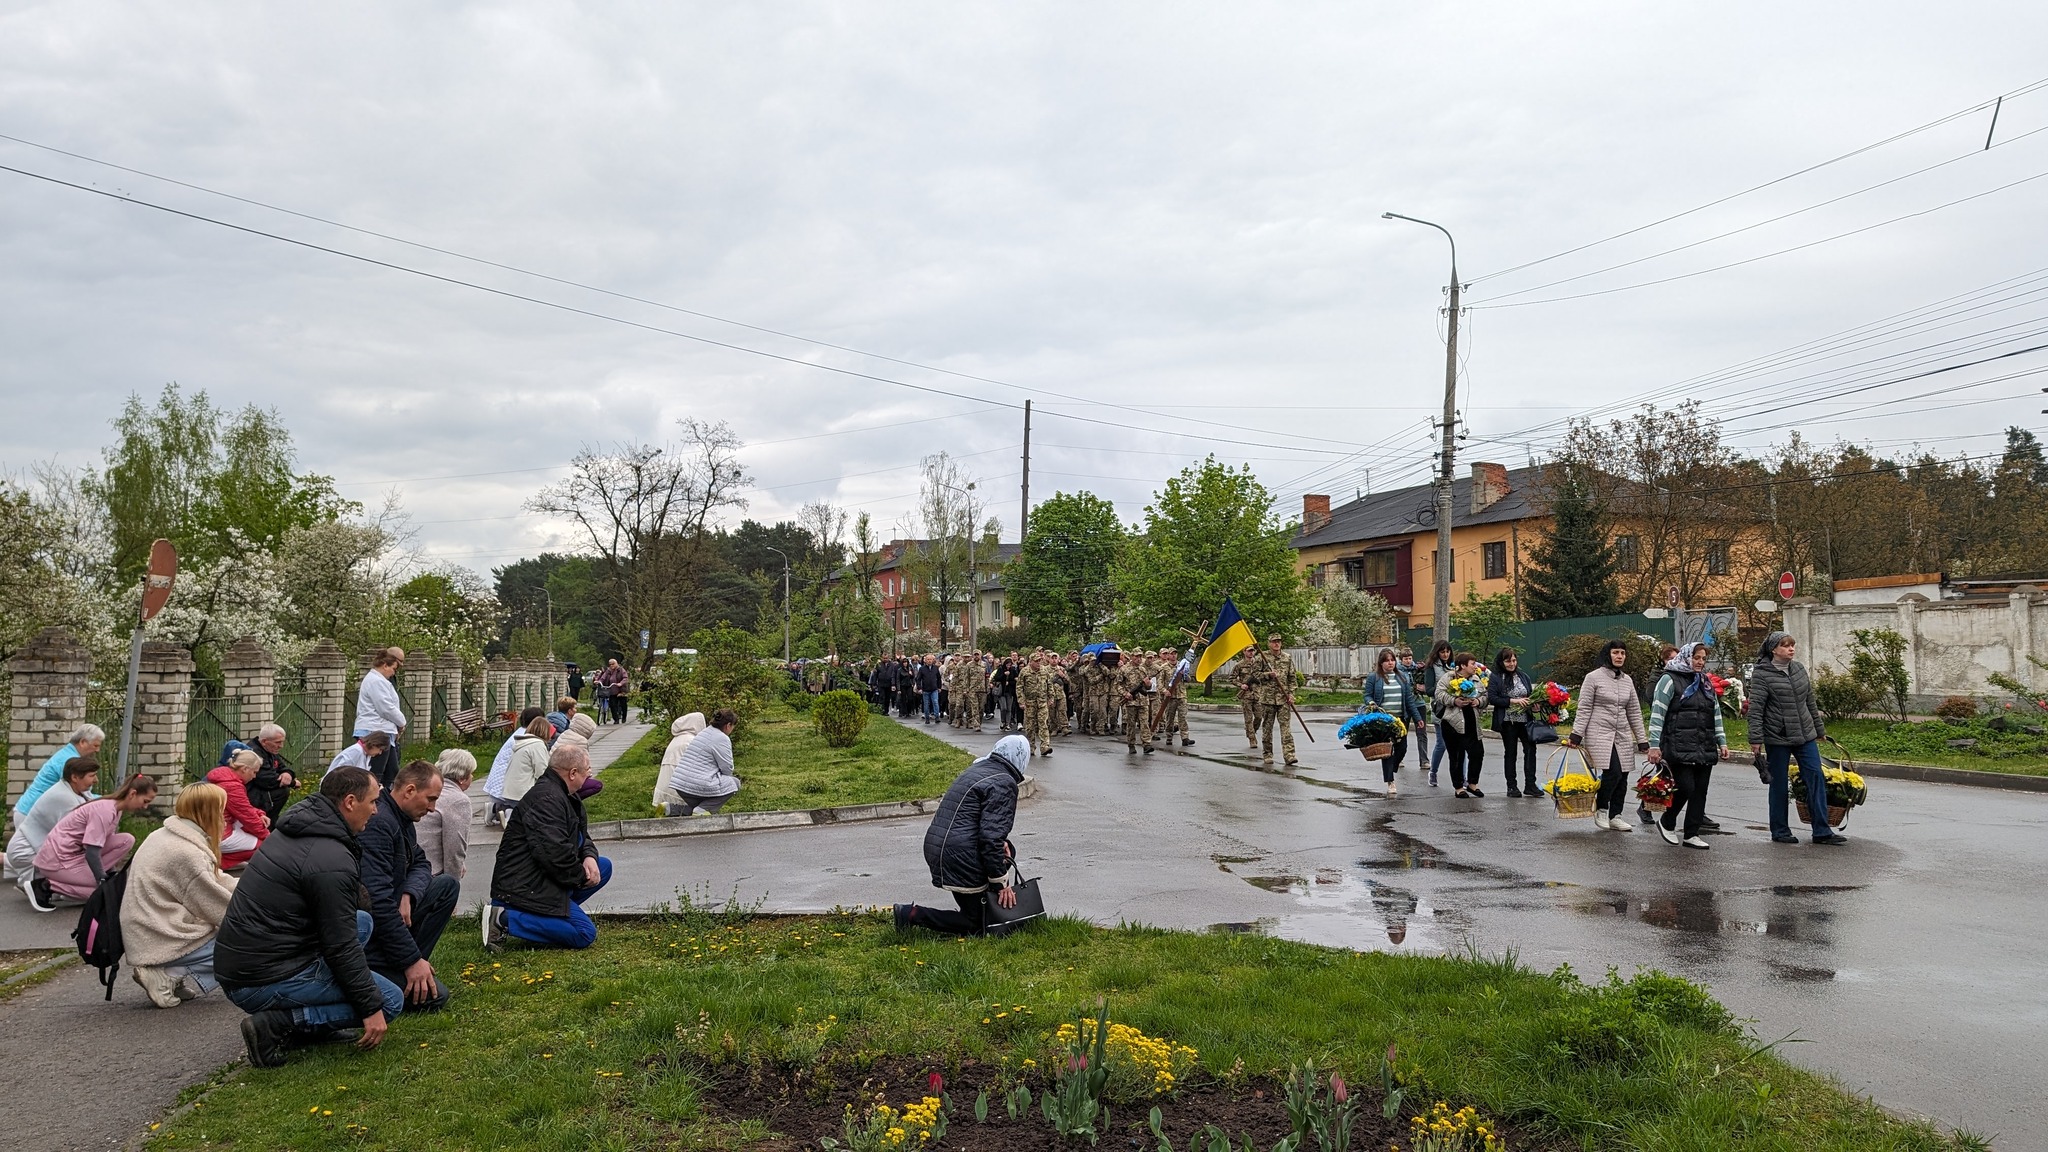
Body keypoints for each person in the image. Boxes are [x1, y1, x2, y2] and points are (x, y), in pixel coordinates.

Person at [217, 766, 405, 1068]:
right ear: (349, 802)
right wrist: (369, 1007)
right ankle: (279, 1024)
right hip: (259, 979)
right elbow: (340, 944)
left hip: (252, 960)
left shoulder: (302, 825)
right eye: (372, 802)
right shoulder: (329, 858)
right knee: (390, 1001)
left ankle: (310, 1019)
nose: (375, 810)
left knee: (362, 922)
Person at [893, 734, 1029, 936]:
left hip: (941, 845)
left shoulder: (979, 769)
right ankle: (912, 914)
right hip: (958, 853)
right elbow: (990, 839)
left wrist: (1002, 845)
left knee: (1007, 849)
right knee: (978, 925)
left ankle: (984, 905)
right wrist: (1002, 884)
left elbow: (982, 827)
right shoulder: (1003, 782)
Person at [483, 743, 612, 951]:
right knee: (584, 934)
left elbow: (582, 836)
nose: (590, 775)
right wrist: (582, 877)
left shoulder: (565, 795)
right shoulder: (547, 800)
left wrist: (589, 856)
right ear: (572, 773)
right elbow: (555, 856)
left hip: (541, 877)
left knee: (602, 866)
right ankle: (504, 918)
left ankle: (548, 917)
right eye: (587, 771)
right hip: (524, 886)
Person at [122, 782, 239, 1008]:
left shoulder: (167, 834)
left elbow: (214, 880)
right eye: (222, 810)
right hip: (161, 933)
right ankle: (168, 974)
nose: (225, 816)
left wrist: (250, 888)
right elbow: (215, 904)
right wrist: (258, 918)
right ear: (209, 812)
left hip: (150, 925)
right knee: (245, 942)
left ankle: (171, 973)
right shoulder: (186, 853)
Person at [359, 760, 458, 1012]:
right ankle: (400, 968)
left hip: (392, 916)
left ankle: (408, 968)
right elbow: (377, 903)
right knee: (436, 998)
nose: (434, 808)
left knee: (446, 885)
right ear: (410, 790)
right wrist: (411, 960)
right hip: (371, 936)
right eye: (431, 799)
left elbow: (422, 863)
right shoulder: (380, 825)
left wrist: (409, 893)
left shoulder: (400, 820)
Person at [1748, 632, 1846, 845]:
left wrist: (1820, 730)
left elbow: (1810, 701)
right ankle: (1780, 830)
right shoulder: (1762, 674)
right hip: (1778, 737)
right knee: (1779, 784)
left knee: (1815, 777)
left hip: (1805, 735)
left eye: (1792, 645)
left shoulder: (1799, 669)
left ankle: (1821, 831)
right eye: (1785, 646)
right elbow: (1756, 709)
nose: (1791, 649)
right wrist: (1755, 739)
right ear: (1774, 649)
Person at [1648, 642, 1730, 849]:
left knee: (1700, 790)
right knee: (1685, 786)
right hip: (1678, 743)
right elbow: (1658, 713)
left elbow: (1715, 713)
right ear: (1686, 657)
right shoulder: (1668, 680)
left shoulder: (1705, 683)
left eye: (1703, 658)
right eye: (1696, 658)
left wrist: (1722, 741)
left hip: (1704, 743)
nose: (1700, 662)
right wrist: (1654, 745)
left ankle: (1691, 834)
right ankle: (1667, 821)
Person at [32, 775, 157, 906]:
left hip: (71, 857)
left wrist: (110, 875)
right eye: (145, 801)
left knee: (127, 840)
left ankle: (66, 887)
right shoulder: (105, 811)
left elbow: (103, 844)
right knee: (102, 892)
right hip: (56, 862)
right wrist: (102, 880)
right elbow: (92, 853)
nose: (145, 807)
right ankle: (46, 885)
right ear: (133, 794)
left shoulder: (114, 809)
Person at [1570, 639, 1648, 831]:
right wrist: (1576, 734)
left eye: (1622, 653)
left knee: (1623, 775)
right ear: (1608, 654)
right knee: (1612, 772)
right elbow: (1585, 707)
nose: (1619, 656)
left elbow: (1634, 712)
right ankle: (1602, 809)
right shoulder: (1593, 678)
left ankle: (1616, 815)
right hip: (1600, 732)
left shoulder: (1627, 680)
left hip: (1621, 733)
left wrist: (1642, 739)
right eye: (1615, 652)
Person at [8, 755, 97, 889]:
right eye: (92, 776)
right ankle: (39, 887)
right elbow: (76, 834)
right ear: (75, 777)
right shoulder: (65, 798)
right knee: (71, 875)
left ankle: (37, 885)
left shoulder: (76, 790)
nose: (96, 780)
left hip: (32, 846)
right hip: (25, 849)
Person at [12, 723, 104, 820]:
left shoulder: (68, 754)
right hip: (31, 814)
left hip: (32, 812)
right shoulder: (69, 760)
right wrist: (108, 800)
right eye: (95, 745)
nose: (97, 750)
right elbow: (78, 794)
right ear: (83, 742)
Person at [205, 748, 274, 870]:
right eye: (254, 772)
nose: (254, 776)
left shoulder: (224, 778)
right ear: (245, 769)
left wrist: (258, 813)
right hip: (220, 833)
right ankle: (218, 861)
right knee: (263, 847)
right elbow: (247, 817)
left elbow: (242, 807)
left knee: (252, 831)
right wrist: (269, 839)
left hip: (213, 826)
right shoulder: (232, 786)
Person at [1432, 653, 1487, 798]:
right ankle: (1458, 787)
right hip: (1452, 723)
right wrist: (1454, 700)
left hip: (1472, 723)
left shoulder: (1476, 679)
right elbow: (1439, 693)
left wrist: (1478, 702)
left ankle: (1472, 784)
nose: (1475, 667)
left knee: (1477, 753)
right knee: (1456, 756)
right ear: (1463, 665)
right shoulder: (1449, 677)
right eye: (1472, 664)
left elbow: (1485, 696)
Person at [665, 709, 739, 816]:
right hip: (695, 783)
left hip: (680, 784)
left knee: (699, 807)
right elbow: (727, 769)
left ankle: (669, 809)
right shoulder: (722, 738)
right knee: (735, 783)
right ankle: (702, 810)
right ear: (728, 725)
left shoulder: (704, 732)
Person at [1488, 648, 1540, 798]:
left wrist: (1535, 704)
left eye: (1514, 660)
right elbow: (1493, 698)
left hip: (1525, 720)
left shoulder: (1523, 676)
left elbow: (1530, 695)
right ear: (1501, 662)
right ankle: (1512, 786)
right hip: (1508, 721)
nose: (1512, 664)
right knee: (1511, 753)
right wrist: (1512, 701)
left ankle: (1530, 784)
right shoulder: (1497, 677)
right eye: (1508, 661)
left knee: (1530, 751)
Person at [1363, 648, 1416, 795]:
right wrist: (1371, 703)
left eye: (1392, 660)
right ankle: (1390, 782)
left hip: (1400, 719)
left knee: (1402, 747)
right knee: (1388, 751)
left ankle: (1392, 768)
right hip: (1384, 719)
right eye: (1387, 660)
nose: (1390, 663)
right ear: (1381, 663)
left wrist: (1417, 719)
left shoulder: (1402, 677)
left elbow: (1409, 701)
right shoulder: (1374, 677)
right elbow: (1367, 695)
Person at [352, 648, 407, 788]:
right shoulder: (376, 681)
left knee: (392, 771)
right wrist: (402, 722)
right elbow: (386, 708)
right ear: (385, 665)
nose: (394, 672)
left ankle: (385, 799)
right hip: (374, 731)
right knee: (376, 773)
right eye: (393, 669)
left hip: (383, 731)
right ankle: (374, 800)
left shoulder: (379, 680)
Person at [483, 706, 547, 826]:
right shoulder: (530, 738)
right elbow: (539, 766)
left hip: (500, 779)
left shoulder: (519, 734)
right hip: (511, 782)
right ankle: (508, 813)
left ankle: (494, 808)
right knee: (523, 806)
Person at [418, 749, 474, 879]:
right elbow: (455, 847)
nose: (472, 777)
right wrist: (452, 883)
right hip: (431, 871)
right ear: (462, 778)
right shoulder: (458, 800)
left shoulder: (430, 790)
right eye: (471, 773)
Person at [1418, 640, 1455, 786]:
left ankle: (1463, 778)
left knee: (1461, 746)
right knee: (1442, 744)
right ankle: (1433, 772)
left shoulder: (1454, 666)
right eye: (1442, 652)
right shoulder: (1431, 667)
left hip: (1456, 709)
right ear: (1437, 652)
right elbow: (1429, 690)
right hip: (1440, 709)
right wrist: (1447, 690)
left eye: (1447, 651)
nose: (1445, 654)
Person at [244, 723, 297, 824]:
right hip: (250, 791)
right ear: (264, 741)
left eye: (282, 742)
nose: (281, 746)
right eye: (278, 742)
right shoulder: (254, 753)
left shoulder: (269, 749)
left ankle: (271, 821)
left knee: (282, 790)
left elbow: (282, 767)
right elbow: (266, 780)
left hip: (259, 789)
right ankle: (266, 822)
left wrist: (288, 774)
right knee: (281, 792)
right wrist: (292, 783)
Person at [653, 712, 707, 812]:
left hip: (664, 788)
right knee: (706, 805)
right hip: (678, 789)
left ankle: (668, 809)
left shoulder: (677, 739)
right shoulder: (692, 741)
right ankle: (674, 810)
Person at [500, 715, 556, 809]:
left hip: (510, 791)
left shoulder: (523, 743)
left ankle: (501, 809)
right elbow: (542, 771)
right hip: (523, 793)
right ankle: (508, 814)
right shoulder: (537, 745)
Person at [552, 712, 604, 799]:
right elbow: (584, 764)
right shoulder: (581, 741)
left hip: (554, 773)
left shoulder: (565, 733)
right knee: (597, 785)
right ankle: (571, 800)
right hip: (566, 777)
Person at [326, 730, 392, 778]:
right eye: (380, 749)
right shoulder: (355, 751)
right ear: (374, 744)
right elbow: (340, 773)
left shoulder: (366, 754)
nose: (380, 753)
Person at [596, 659, 629, 724]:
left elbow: (625, 678)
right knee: (612, 705)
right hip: (611, 690)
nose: (611, 665)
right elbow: (603, 677)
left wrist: (621, 683)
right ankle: (616, 719)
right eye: (610, 664)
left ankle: (624, 717)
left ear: (616, 663)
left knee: (623, 705)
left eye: (613, 664)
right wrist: (599, 681)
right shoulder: (608, 671)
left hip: (621, 690)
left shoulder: (621, 670)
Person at [915, 655, 942, 724]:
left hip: (934, 689)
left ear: (933, 660)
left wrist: (939, 687)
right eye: (928, 659)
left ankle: (937, 717)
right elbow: (918, 679)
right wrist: (919, 688)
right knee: (926, 704)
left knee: (935, 702)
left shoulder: (935, 668)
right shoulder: (922, 669)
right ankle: (927, 718)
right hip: (925, 690)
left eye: (931, 659)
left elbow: (939, 678)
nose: (929, 661)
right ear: (925, 660)